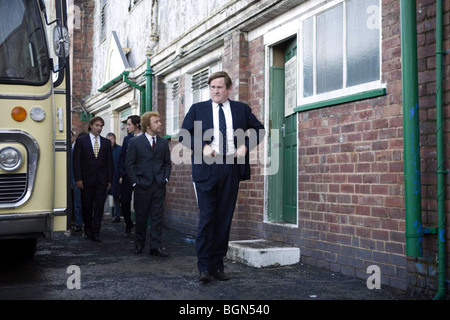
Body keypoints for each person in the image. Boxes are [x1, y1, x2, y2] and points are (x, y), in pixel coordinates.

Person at [180, 71, 265, 282]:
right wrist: (202, 147)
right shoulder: (198, 109)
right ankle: (204, 268)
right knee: (207, 217)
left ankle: (218, 266)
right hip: (207, 167)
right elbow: (184, 135)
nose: (215, 91)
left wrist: (246, 146)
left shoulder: (241, 109)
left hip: (231, 167)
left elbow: (259, 130)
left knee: (224, 219)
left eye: (219, 87)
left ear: (229, 89)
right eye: (212, 87)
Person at [125, 111, 171, 256]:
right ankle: (139, 245)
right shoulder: (135, 142)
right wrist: (135, 182)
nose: (160, 124)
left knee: (157, 217)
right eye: (156, 121)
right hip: (141, 185)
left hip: (158, 185)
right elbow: (129, 164)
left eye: (159, 121)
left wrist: (165, 179)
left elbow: (167, 163)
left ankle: (155, 247)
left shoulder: (163, 143)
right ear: (147, 125)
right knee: (141, 217)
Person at [73, 116, 114, 242]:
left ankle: (96, 231)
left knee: (99, 206)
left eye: (101, 126)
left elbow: (109, 163)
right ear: (91, 126)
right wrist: (78, 179)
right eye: (97, 125)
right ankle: (88, 229)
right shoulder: (81, 141)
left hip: (101, 180)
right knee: (87, 205)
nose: (99, 128)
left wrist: (109, 180)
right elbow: (77, 162)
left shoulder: (106, 143)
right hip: (86, 180)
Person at [119, 115, 141, 237]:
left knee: (140, 203)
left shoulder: (144, 137)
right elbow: (123, 156)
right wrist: (122, 173)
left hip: (140, 176)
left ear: (136, 125)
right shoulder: (127, 139)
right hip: (127, 175)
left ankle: (140, 226)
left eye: (129, 124)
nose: (127, 127)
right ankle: (128, 224)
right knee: (125, 200)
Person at [71, 131, 88, 232]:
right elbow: (72, 167)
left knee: (86, 203)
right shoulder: (74, 151)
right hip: (76, 180)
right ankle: (78, 223)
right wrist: (72, 182)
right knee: (78, 203)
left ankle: (84, 223)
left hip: (87, 181)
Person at [106, 132, 122, 223]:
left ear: (115, 140)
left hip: (116, 176)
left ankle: (117, 216)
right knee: (102, 196)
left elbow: (121, 164)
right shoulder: (104, 150)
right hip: (106, 177)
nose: (110, 141)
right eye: (108, 139)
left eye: (111, 139)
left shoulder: (119, 149)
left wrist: (120, 176)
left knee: (116, 196)